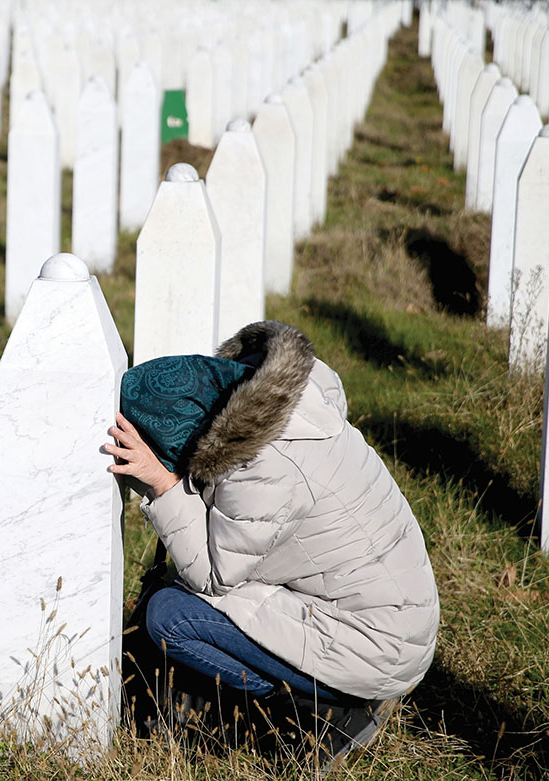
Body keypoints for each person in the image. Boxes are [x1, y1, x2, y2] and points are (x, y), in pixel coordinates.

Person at [105, 320, 439, 771]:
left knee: (170, 617)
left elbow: (212, 576)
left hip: (374, 646)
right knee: (180, 599)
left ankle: (327, 713)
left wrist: (164, 485)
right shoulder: (287, 405)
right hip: (387, 616)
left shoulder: (264, 465)